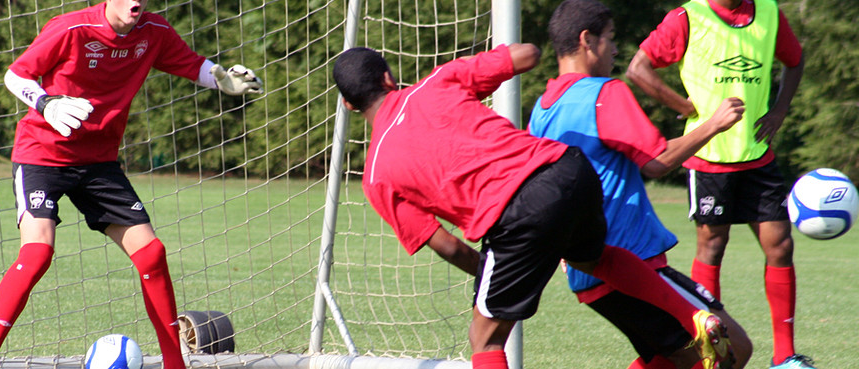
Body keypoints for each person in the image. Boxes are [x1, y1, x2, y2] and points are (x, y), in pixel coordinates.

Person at [332, 43, 730, 369]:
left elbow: (446, 245)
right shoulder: (437, 82)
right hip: (569, 169)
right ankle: (691, 315)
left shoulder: (376, 175)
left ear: (349, 105)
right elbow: (526, 55)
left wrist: (495, 270)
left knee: (485, 336)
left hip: (517, 215)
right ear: (388, 77)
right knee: (595, 260)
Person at [0, 1, 262, 368]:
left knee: (152, 253)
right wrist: (46, 103)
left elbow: (190, 63)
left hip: (99, 163)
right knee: (37, 254)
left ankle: (176, 363)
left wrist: (219, 77)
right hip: (42, 155)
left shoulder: (154, 32)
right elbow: (15, 75)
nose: (135, 3)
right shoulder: (70, 28)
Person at [526, 1, 754, 368]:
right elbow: (657, 160)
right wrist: (713, 124)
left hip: (588, 271)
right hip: (630, 265)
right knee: (732, 349)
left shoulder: (544, 107)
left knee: (668, 358)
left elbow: (543, 185)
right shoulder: (605, 93)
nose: (616, 49)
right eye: (611, 39)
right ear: (588, 40)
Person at [625, 0, 806, 367]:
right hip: (709, 158)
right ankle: (712, 351)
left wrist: (780, 110)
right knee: (712, 247)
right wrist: (685, 106)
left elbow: (795, 59)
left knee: (781, 246)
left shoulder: (769, 13)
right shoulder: (687, 17)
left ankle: (785, 357)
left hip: (758, 154)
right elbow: (638, 69)